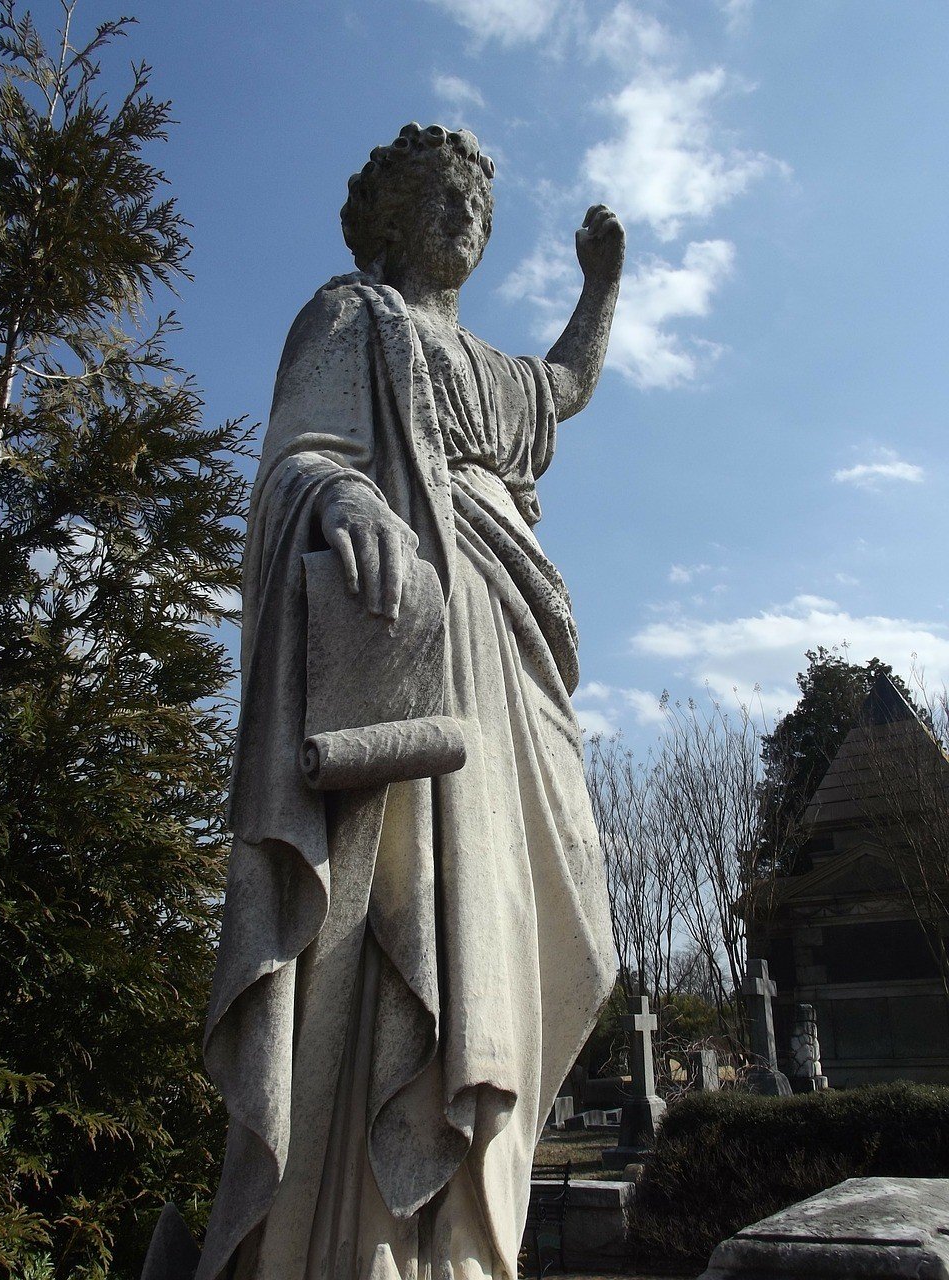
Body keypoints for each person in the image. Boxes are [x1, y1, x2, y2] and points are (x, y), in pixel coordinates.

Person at [196, 123, 623, 1280]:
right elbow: (300, 457)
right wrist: (348, 504)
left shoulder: (487, 367)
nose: (464, 215)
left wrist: (603, 285)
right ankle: (372, 1238)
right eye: (441, 194)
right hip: (411, 642)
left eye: (477, 201)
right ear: (387, 214)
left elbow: (568, 385)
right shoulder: (351, 317)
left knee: (563, 919)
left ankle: (475, 1230)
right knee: (409, 922)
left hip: (511, 642)